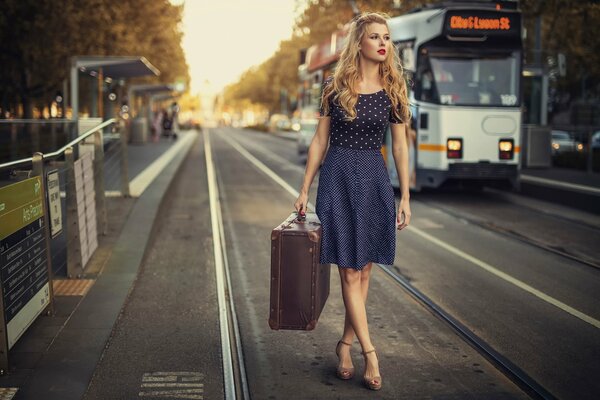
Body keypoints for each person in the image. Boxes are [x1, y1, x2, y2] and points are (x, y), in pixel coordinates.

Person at [294, 12, 412, 391]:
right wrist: (303, 188)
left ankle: (344, 345)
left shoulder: (394, 88)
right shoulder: (334, 85)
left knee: (363, 271)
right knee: (348, 269)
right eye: (375, 36)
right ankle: (369, 353)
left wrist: (405, 195)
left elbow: (399, 147)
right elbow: (318, 141)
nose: (383, 43)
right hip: (338, 177)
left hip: (374, 180)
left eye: (387, 37)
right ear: (359, 42)